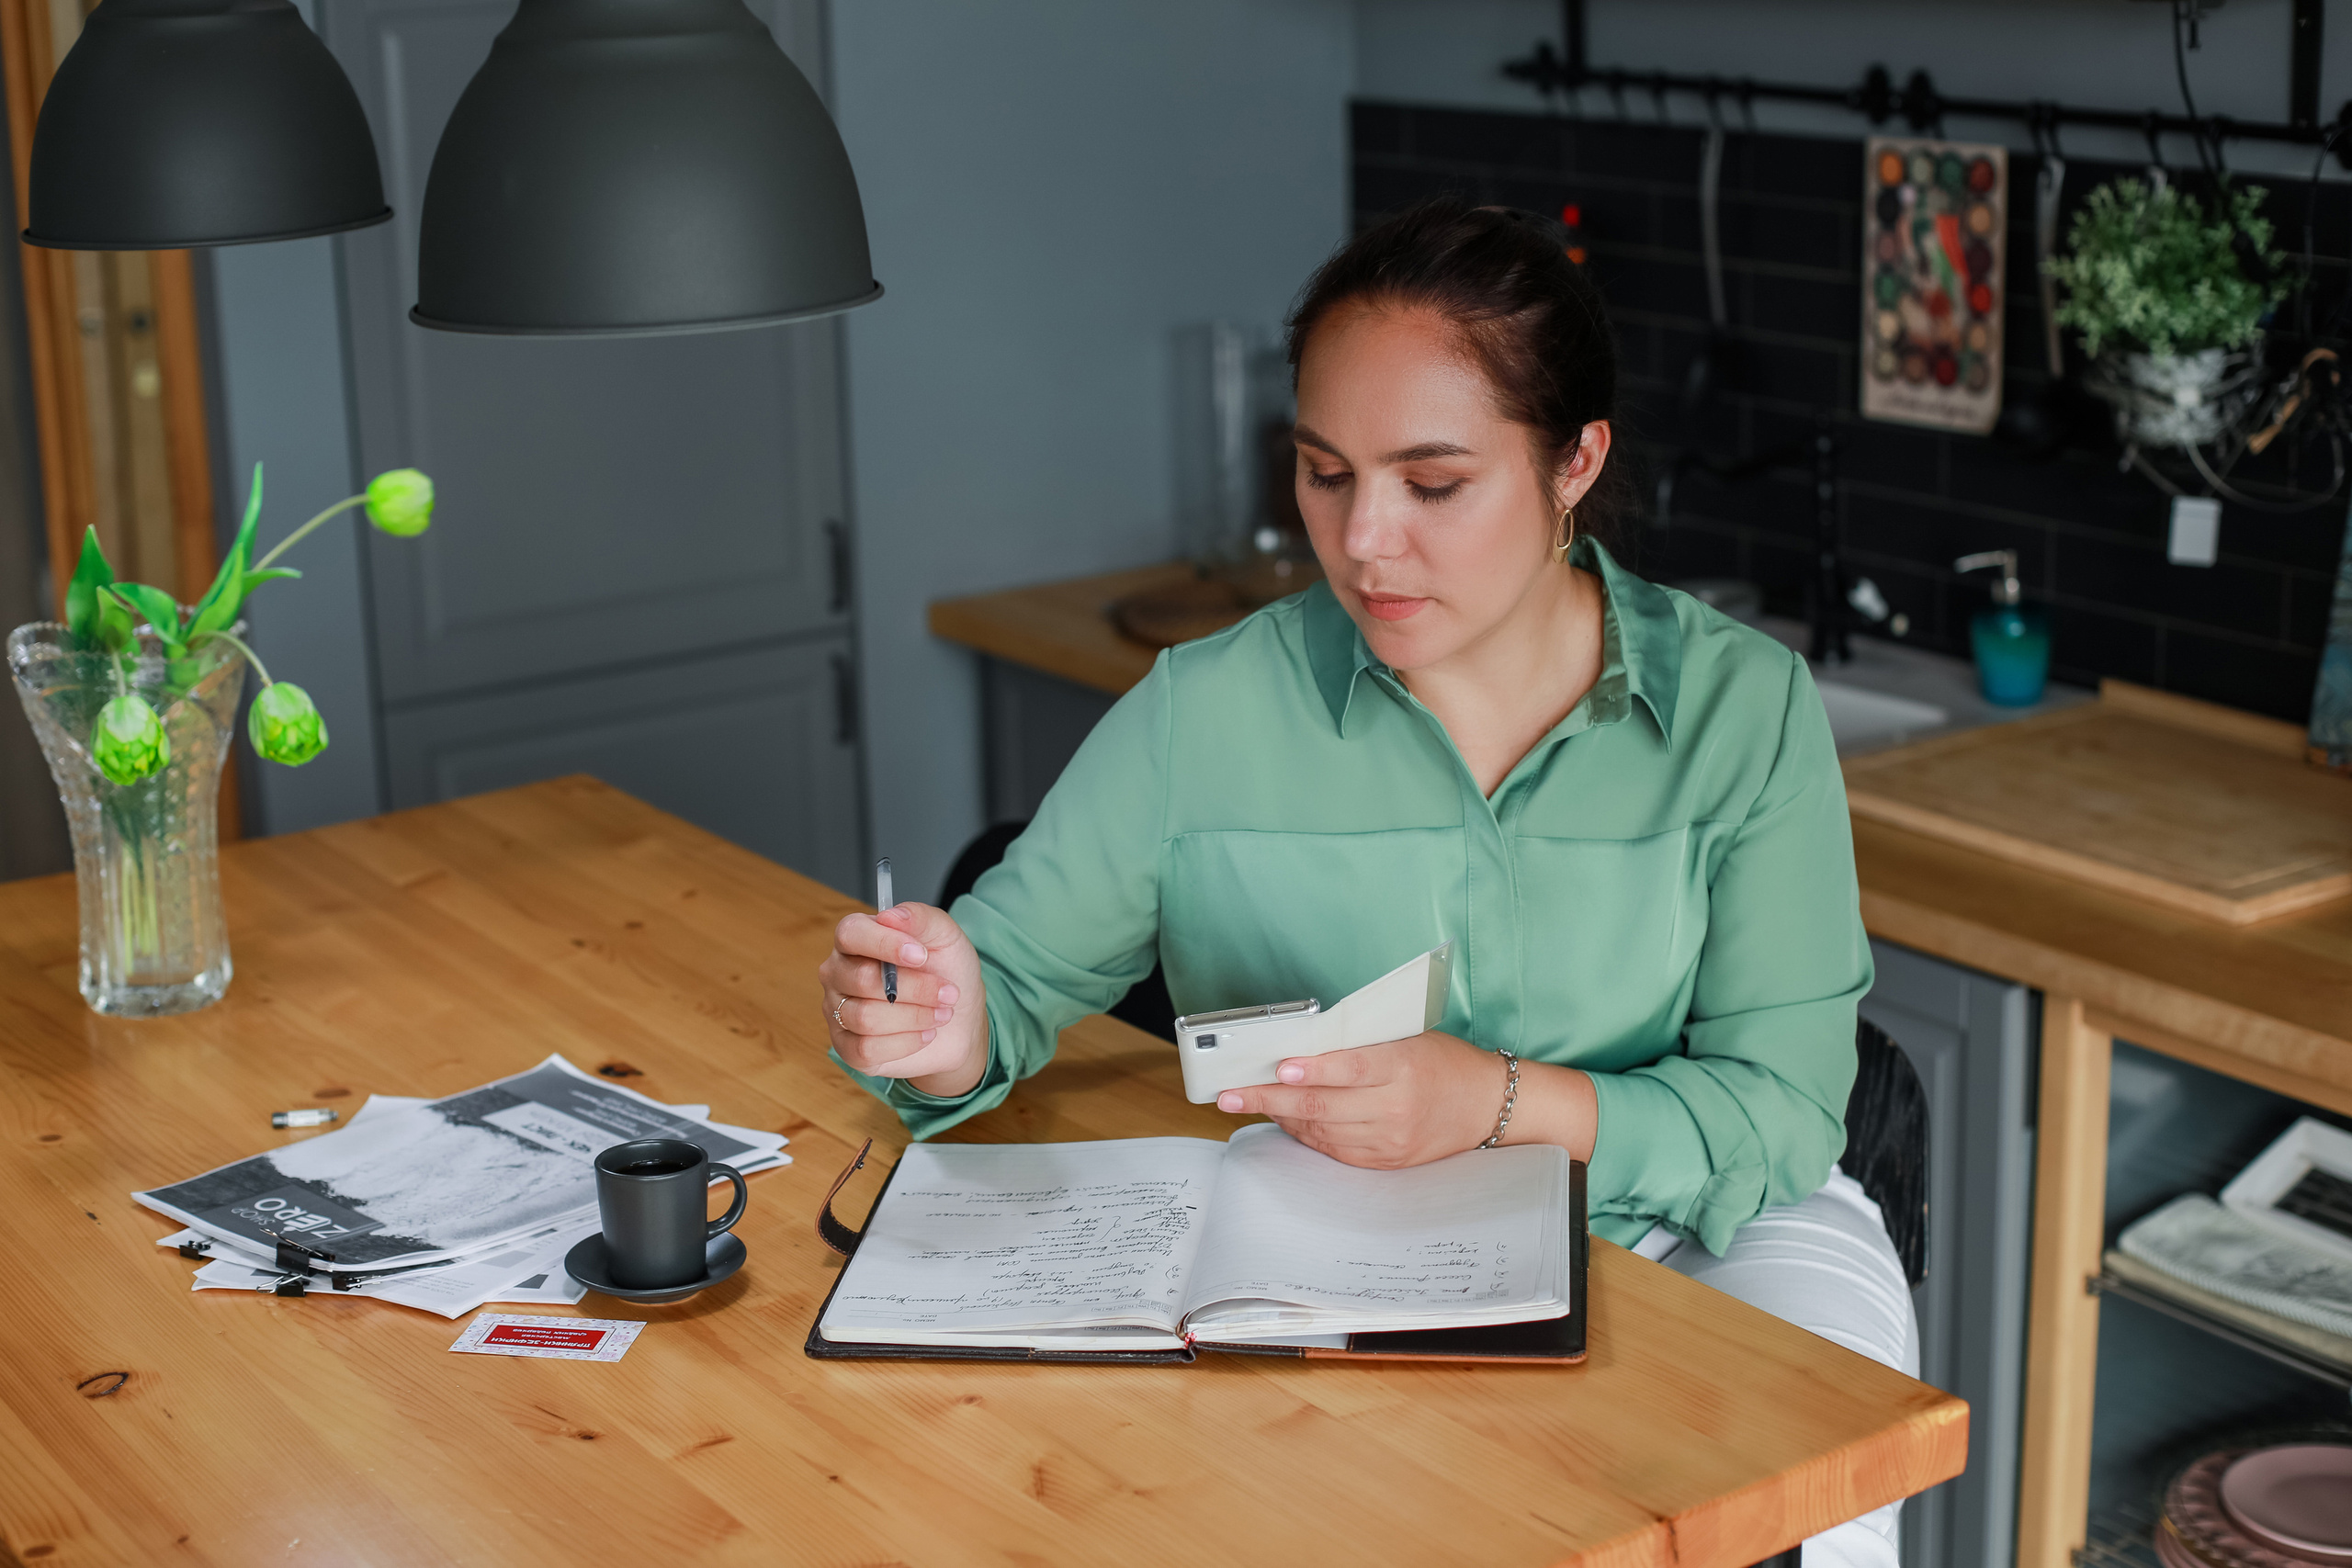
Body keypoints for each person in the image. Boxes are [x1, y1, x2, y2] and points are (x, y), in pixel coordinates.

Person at [820, 196, 1917, 1568]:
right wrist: (938, 1020)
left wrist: (1494, 1103)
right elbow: (1012, 975)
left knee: (1813, 1502)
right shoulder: (1205, 709)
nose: (1362, 541)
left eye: (1432, 484)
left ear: (1575, 462)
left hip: (1704, 1224)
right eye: (1325, 474)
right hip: (1339, 1241)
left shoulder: (1744, 709)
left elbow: (1783, 1113)